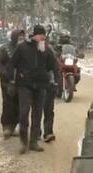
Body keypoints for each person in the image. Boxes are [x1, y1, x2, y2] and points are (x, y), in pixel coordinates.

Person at [11, 25, 59, 153]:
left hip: (41, 86)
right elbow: (13, 63)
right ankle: (23, 142)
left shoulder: (46, 49)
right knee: (24, 113)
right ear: (34, 35)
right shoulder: (22, 48)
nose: (43, 37)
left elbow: (53, 66)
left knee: (37, 115)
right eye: (41, 35)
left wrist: (55, 81)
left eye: (44, 36)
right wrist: (15, 78)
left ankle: (33, 142)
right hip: (25, 85)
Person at [0, 29, 23, 138]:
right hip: (7, 82)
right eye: (19, 37)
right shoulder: (5, 48)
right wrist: (5, 74)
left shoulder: (24, 48)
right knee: (8, 104)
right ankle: (6, 127)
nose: (21, 39)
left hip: (21, 82)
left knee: (19, 104)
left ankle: (15, 126)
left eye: (22, 37)